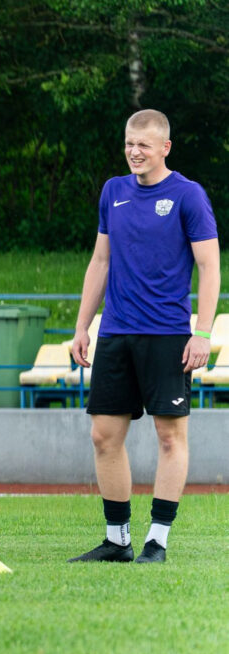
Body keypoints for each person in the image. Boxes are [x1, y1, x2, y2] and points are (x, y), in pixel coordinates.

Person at [69, 109, 219, 564]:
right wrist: (82, 326)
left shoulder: (188, 195)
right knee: (103, 435)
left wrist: (203, 332)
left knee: (169, 437)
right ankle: (117, 540)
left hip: (167, 334)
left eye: (144, 145)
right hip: (116, 331)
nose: (134, 152)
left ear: (165, 148)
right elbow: (100, 261)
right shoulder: (113, 191)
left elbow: (210, 267)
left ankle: (157, 541)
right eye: (129, 144)